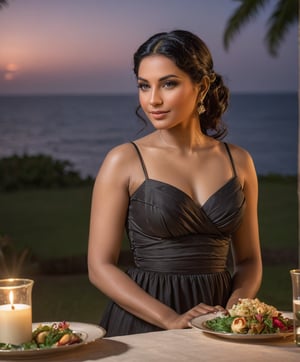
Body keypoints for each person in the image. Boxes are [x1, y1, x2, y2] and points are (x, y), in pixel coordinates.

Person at [87, 29, 262, 337]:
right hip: (146, 323)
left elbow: (248, 260)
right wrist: (171, 319)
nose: (153, 99)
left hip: (220, 324)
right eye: (144, 86)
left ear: (202, 86)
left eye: (168, 84)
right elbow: (100, 267)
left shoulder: (239, 161)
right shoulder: (124, 160)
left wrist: (235, 308)